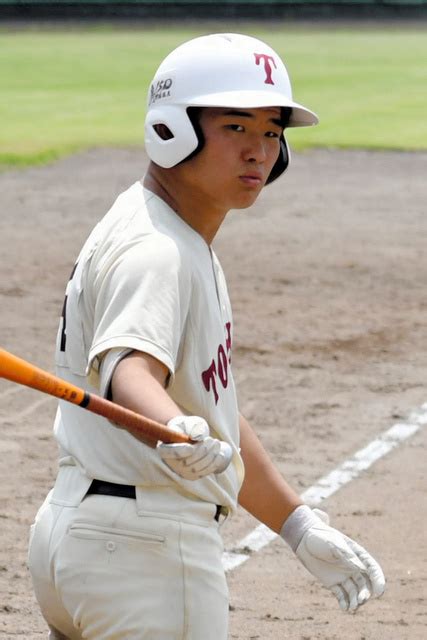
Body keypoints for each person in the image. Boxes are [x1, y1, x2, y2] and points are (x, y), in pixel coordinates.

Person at [28, 33, 385, 640]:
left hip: (82, 541)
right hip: (147, 557)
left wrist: (296, 524)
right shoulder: (158, 251)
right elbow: (128, 372)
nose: (260, 152)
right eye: (236, 128)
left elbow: (209, 414)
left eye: (272, 132)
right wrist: (176, 428)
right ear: (173, 131)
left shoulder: (162, 227)